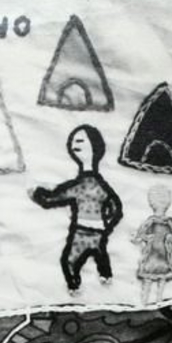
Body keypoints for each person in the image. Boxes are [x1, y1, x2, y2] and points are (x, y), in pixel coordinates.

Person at [30, 124, 123, 296]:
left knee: (69, 261)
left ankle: (76, 285)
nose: (74, 144)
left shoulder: (81, 185)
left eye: (80, 141)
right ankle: (105, 274)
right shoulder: (97, 185)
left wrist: (38, 194)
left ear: (94, 147)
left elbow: (56, 196)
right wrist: (107, 225)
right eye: (73, 141)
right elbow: (115, 208)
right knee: (98, 254)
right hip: (97, 232)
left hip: (82, 233)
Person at [132, 185, 172, 304]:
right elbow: (140, 234)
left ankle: (158, 301)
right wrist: (146, 238)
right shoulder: (151, 221)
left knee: (162, 278)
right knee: (149, 277)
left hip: (163, 254)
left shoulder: (169, 222)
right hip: (152, 253)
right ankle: (145, 301)